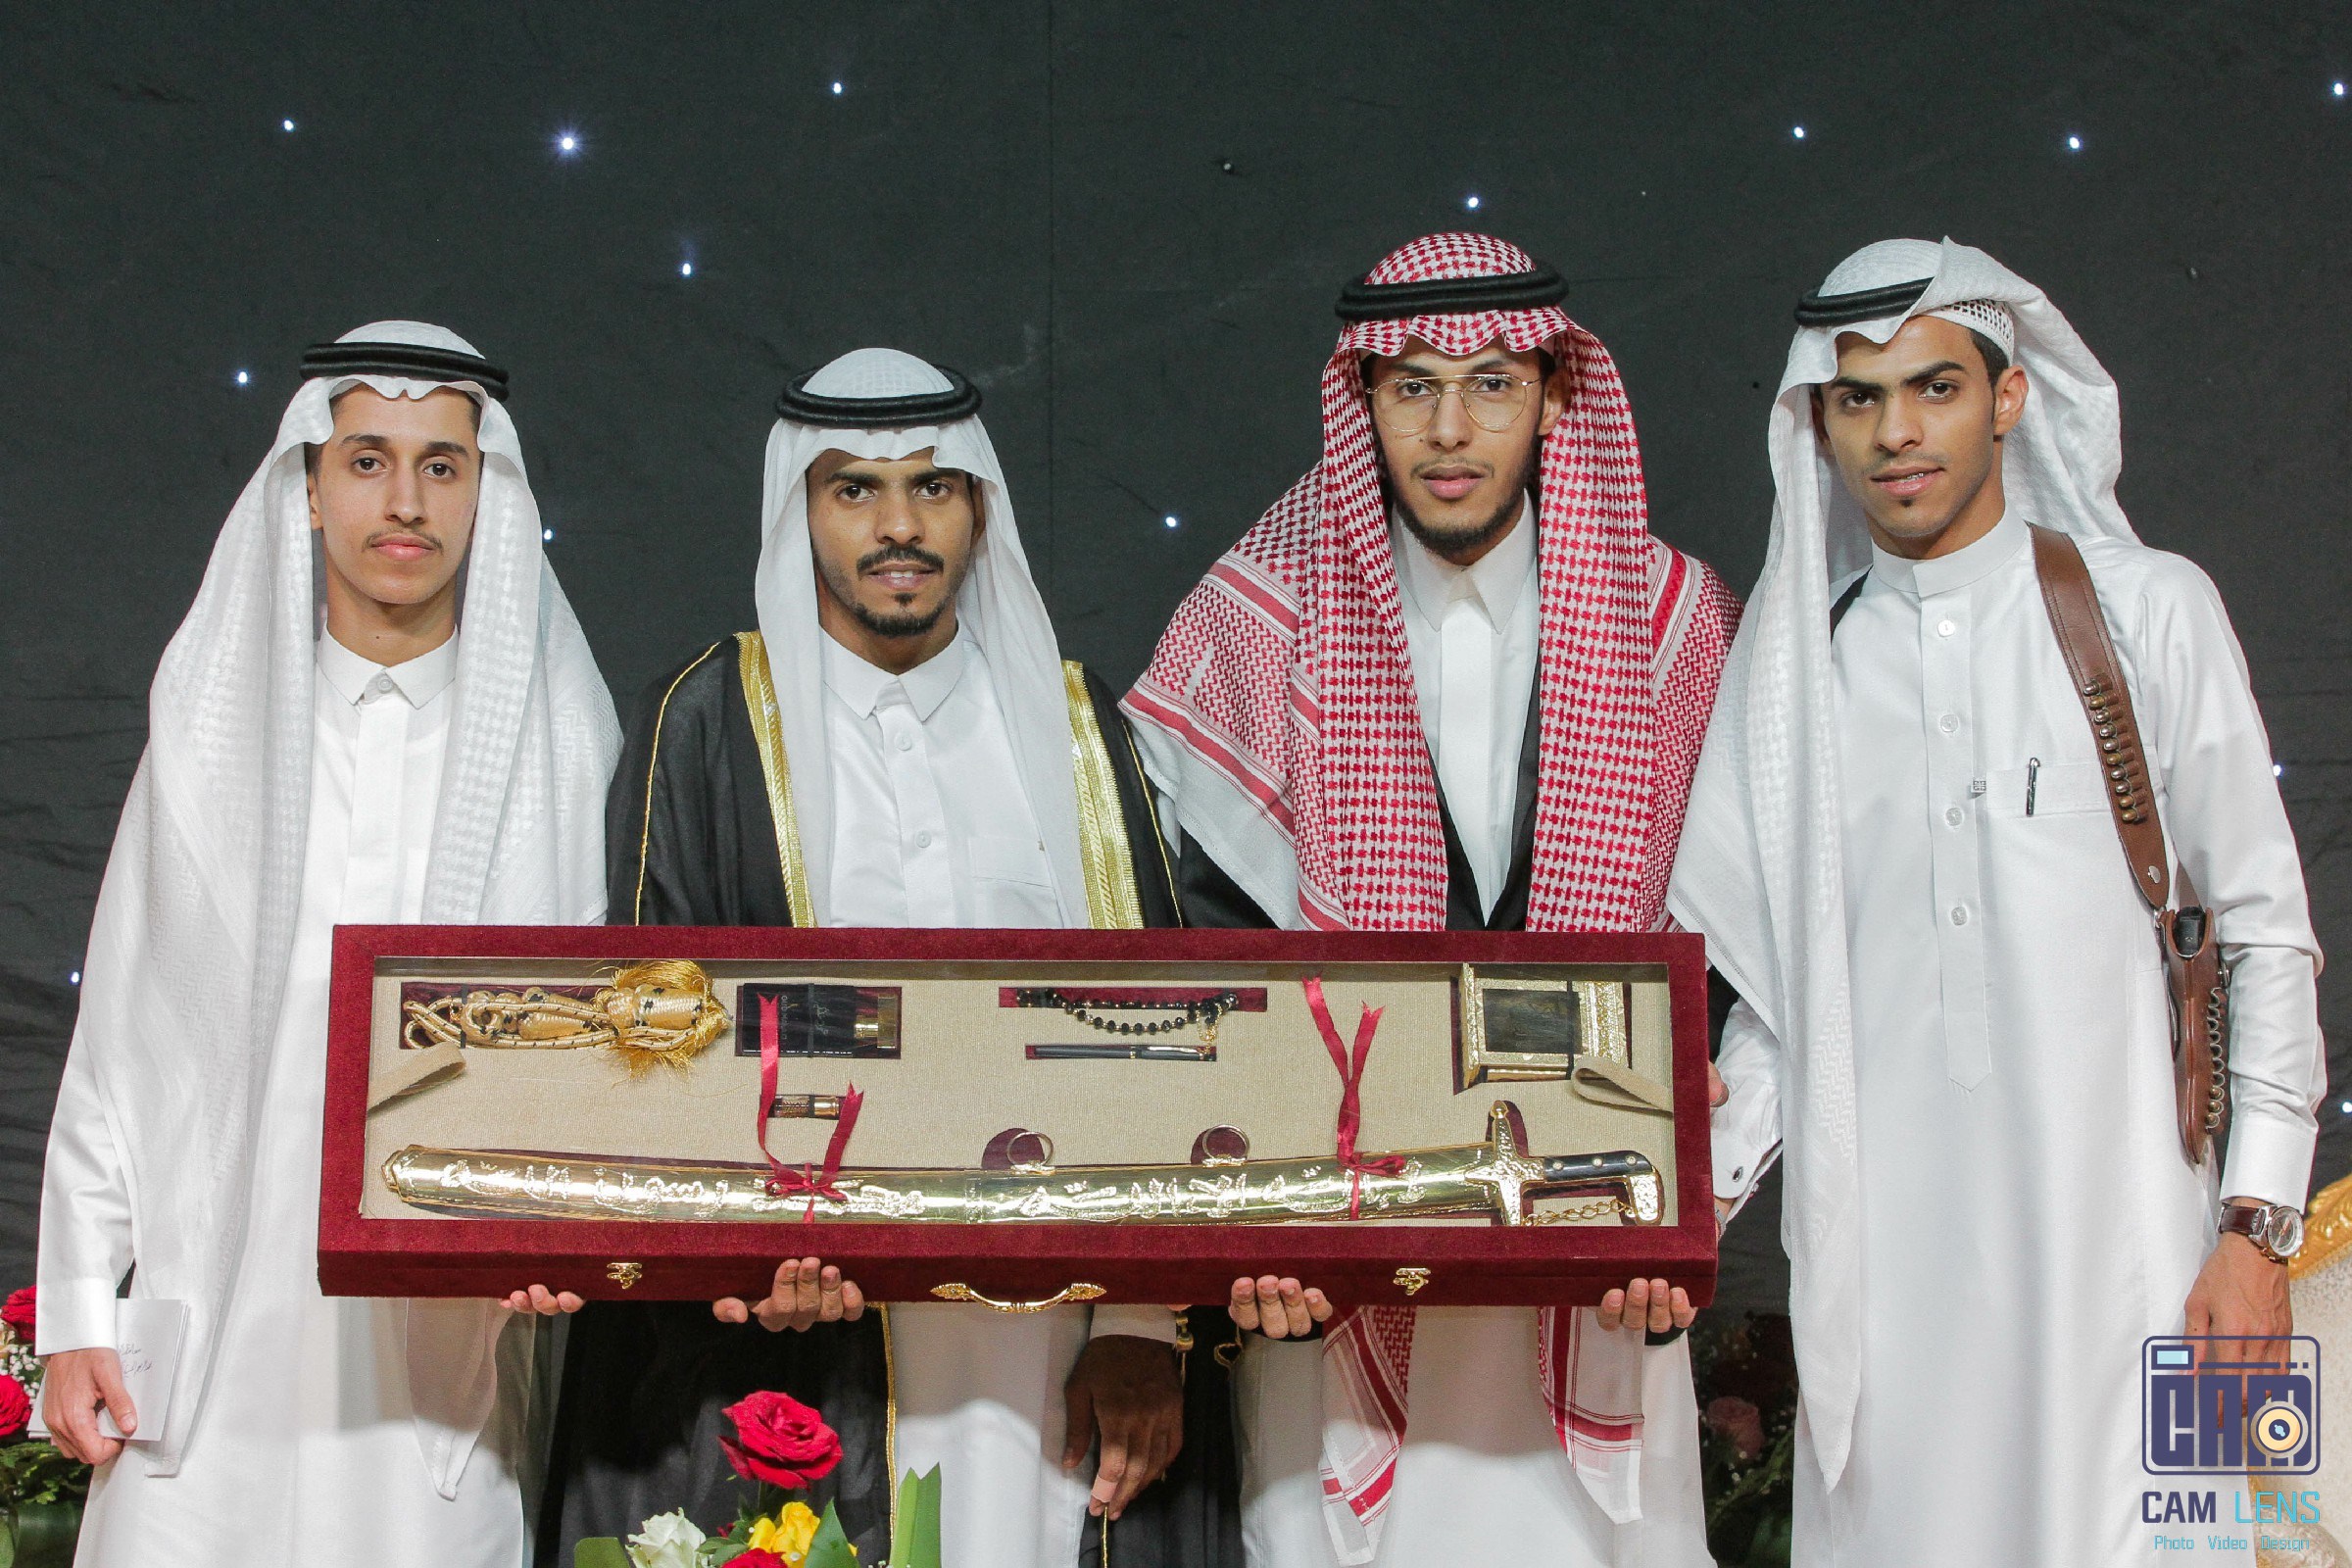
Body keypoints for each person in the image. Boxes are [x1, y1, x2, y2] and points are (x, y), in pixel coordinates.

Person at [1671, 237, 2328, 1565]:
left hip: (2158, 1269)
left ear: (2009, 397)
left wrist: (2259, 1232)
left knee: (2203, 1543)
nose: (1896, 434)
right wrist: (1680, 1216)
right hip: (1892, 1311)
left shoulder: (2150, 613)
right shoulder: (1800, 683)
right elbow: (1784, 1013)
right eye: (1858, 399)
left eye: (1935, 388)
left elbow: (2264, 936)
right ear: (1818, 422)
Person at [542, 348, 1234, 1568]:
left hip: (1048, 1329)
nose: (899, 525)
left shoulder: (1080, 727)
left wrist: (1139, 1323)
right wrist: (748, 1253)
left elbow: (1165, 1036)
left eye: (934, 487)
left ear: (979, 508)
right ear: (799, 510)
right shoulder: (705, 721)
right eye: (854, 489)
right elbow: (654, 1043)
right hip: (797, 1324)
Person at [1123, 232, 1737, 1567]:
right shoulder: (1258, 619)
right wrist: (1249, 1202)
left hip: (1601, 1272)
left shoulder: (1673, 623)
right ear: (1363, 397)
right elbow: (1197, 955)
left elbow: (1736, 964)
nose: (1450, 431)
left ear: (1558, 395)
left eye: (1491, 384)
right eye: (1411, 387)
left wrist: (1696, 1192)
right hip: (1325, 1281)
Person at [36, 323, 619, 1566]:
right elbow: (120, 1043)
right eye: (367, 460)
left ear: (486, 494)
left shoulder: (557, 747)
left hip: (434, 1353)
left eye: (442, 465)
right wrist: (82, 1306)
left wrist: (556, 1228)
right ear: (308, 487)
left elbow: (582, 1058)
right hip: (211, 1333)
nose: (405, 500)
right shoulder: (213, 730)